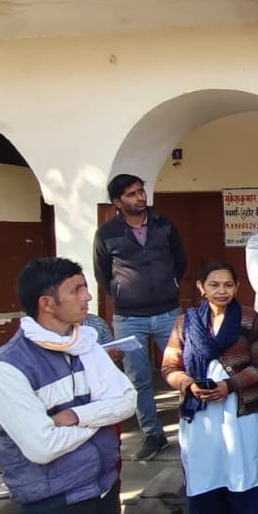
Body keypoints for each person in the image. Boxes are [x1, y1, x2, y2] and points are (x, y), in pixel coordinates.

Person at [0, 257, 137, 514]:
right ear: (46, 303)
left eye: (85, 287)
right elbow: (43, 446)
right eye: (76, 290)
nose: (88, 296)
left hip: (102, 491)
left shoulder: (86, 345)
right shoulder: (3, 369)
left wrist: (75, 417)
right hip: (55, 505)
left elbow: (128, 402)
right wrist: (102, 417)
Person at [161, 262, 258, 514]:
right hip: (200, 411)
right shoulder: (185, 323)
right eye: (214, 284)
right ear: (201, 287)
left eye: (228, 285)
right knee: (205, 467)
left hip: (241, 407)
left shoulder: (249, 318)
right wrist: (189, 385)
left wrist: (229, 385)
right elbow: (169, 366)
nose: (222, 291)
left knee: (243, 464)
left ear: (237, 287)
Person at [93, 173, 186, 461]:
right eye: (131, 194)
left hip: (168, 312)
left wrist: (168, 286)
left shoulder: (164, 224)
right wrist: (123, 294)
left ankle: (192, 427)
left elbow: (180, 262)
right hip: (129, 318)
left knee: (185, 369)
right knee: (138, 379)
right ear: (117, 201)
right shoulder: (107, 233)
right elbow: (102, 273)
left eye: (141, 191)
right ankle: (153, 434)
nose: (140, 197)